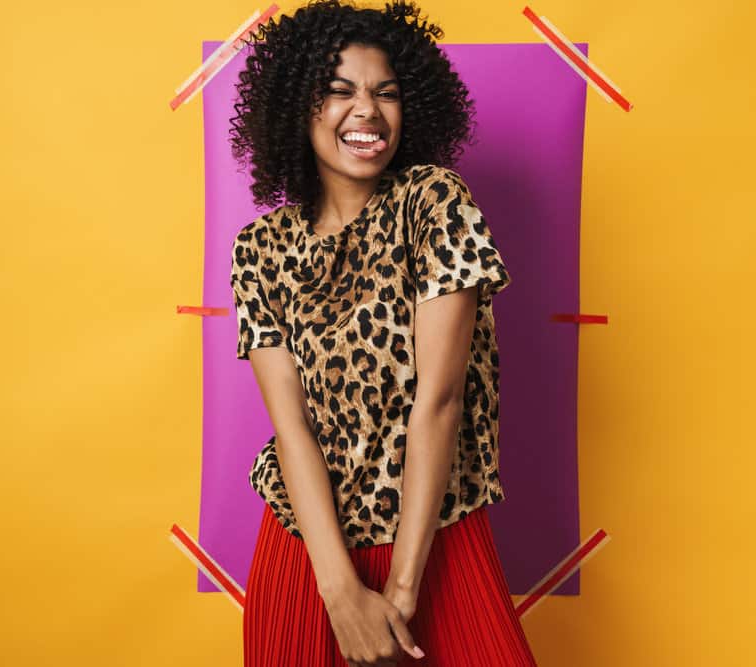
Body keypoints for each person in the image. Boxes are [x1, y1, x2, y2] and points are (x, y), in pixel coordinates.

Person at [227, 1, 538, 665]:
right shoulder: (258, 248)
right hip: (305, 553)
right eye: (338, 91)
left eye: (386, 93)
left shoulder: (432, 203)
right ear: (295, 110)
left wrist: (399, 595)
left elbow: (440, 400)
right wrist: (339, 591)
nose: (366, 110)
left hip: (434, 545)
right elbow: (293, 430)